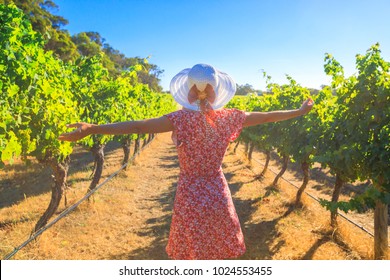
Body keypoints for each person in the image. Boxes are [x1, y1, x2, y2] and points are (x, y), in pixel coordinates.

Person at [59, 63, 314, 260]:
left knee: (192, 250)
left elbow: (136, 126)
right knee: (218, 248)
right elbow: (268, 117)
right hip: (217, 189)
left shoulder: (179, 120)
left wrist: (93, 128)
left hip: (189, 191)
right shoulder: (229, 117)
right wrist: (299, 112)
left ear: (189, 89)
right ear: (216, 90)